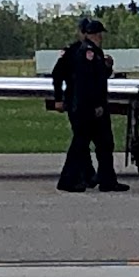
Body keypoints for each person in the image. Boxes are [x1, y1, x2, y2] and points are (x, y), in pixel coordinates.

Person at [56, 19, 129, 193]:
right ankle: (69, 181)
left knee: (103, 144)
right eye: (99, 34)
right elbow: (87, 82)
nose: (101, 37)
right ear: (95, 34)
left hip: (89, 106)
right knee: (82, 145)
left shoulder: (93, 52)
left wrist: (108, 67)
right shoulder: (86, 53)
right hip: (88, 108)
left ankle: (107, 180)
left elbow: (99, 76)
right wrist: (96, 105)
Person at [51, 17, 97, 187]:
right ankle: (73, 178)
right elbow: (57, 75)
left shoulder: (92, 51)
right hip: (76, 101)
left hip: (86, 102)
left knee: (83, 140)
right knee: (80, 140)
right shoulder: (72, 51)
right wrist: (58, 98)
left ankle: (88, 174)